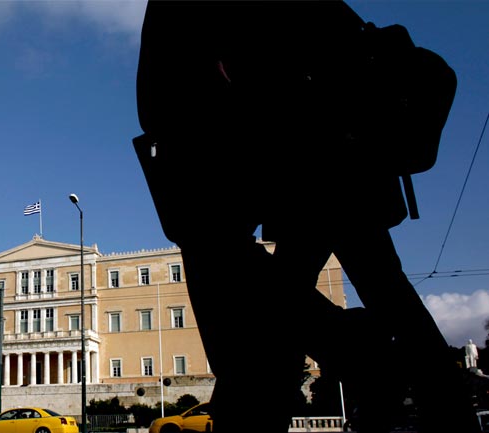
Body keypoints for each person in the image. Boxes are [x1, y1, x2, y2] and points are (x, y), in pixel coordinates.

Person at [134, 2, 476, 433]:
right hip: (327, 168)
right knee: (375, 292)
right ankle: (386, 374)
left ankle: (343, 361)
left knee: (275, 289)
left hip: (311, 167)